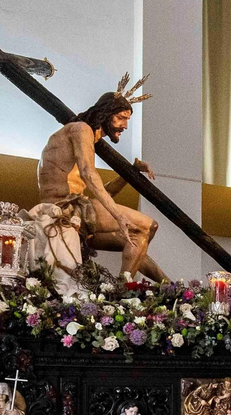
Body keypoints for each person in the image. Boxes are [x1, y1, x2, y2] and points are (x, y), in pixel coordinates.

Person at [35, 76, 165, 282]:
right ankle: (121, 289)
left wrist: (129, 173)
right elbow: (88, 173)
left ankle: (169, 285)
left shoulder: (80, 136)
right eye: (121, 118)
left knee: (136, 240)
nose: (125, 126)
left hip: (77, 208)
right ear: (106, 113)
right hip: (63, 207)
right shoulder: (80, 129)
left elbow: (98, 193)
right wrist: (118, 216)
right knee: (147, 226)